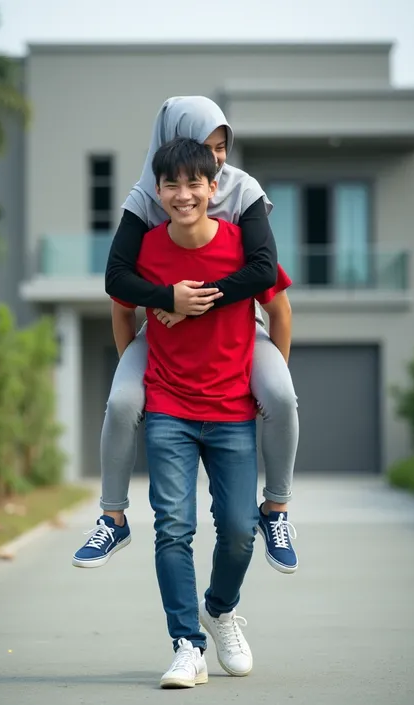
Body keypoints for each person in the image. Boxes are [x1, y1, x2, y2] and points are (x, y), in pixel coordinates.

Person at [72, 96, 299, 574]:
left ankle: (275, 510)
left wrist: (194, 304)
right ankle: (113, 518)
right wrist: (166, 301)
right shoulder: (146, 195)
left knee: (279, 393)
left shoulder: (242, 188)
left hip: (236, 329)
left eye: (221, 148)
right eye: (205, 145)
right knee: (121, 402)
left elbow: (262, 272)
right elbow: (116, 280)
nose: (214, 158)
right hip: (162, 328)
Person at [114, 137, 279, 687]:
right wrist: (158, 314)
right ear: (157, 192)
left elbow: (278, 303)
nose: (183, 194)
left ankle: (221, 607)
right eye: (171, 185)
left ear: (215, 187)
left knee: (238, 530)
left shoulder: (241, 245)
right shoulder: (147, 249)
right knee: (173, 528)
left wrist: (271, 372)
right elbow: (119, 296)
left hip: (232, 407)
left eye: (194, 183)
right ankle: (187, 644)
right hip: (169, 408)